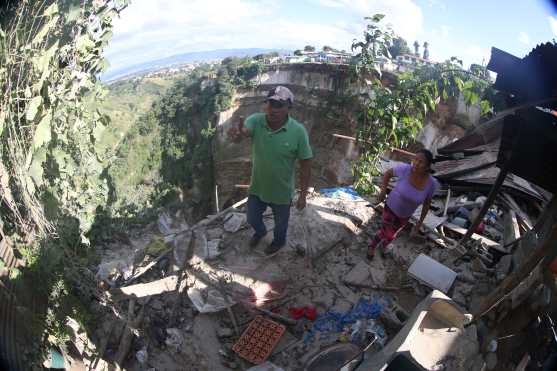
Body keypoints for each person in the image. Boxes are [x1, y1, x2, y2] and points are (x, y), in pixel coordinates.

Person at [227, 86, 313, 255]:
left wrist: (303, 195)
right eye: (270, 103)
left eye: (279, 105)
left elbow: (306, 164)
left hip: (282, 193)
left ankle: (278, 242)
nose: (273, 109)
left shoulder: (298, 132)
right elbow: (244, 132)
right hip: (258, 188)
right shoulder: (256, 120)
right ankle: (260, 232)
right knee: (251, 218)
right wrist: (238, 135)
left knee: (281, 225)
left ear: (289, 107)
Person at [368, 149, 439, 259]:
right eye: (415, 159)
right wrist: (383, 191)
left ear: (427, 166)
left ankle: (383, 246)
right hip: (390, 207)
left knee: (392, 236)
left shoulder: (431, 184)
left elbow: (426, 204)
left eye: (421, 162)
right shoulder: (405, 169)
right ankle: (372, 246)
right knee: (385, 232)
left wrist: (419, 223)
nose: (416, 163)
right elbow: (388, 174)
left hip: (405, 215)